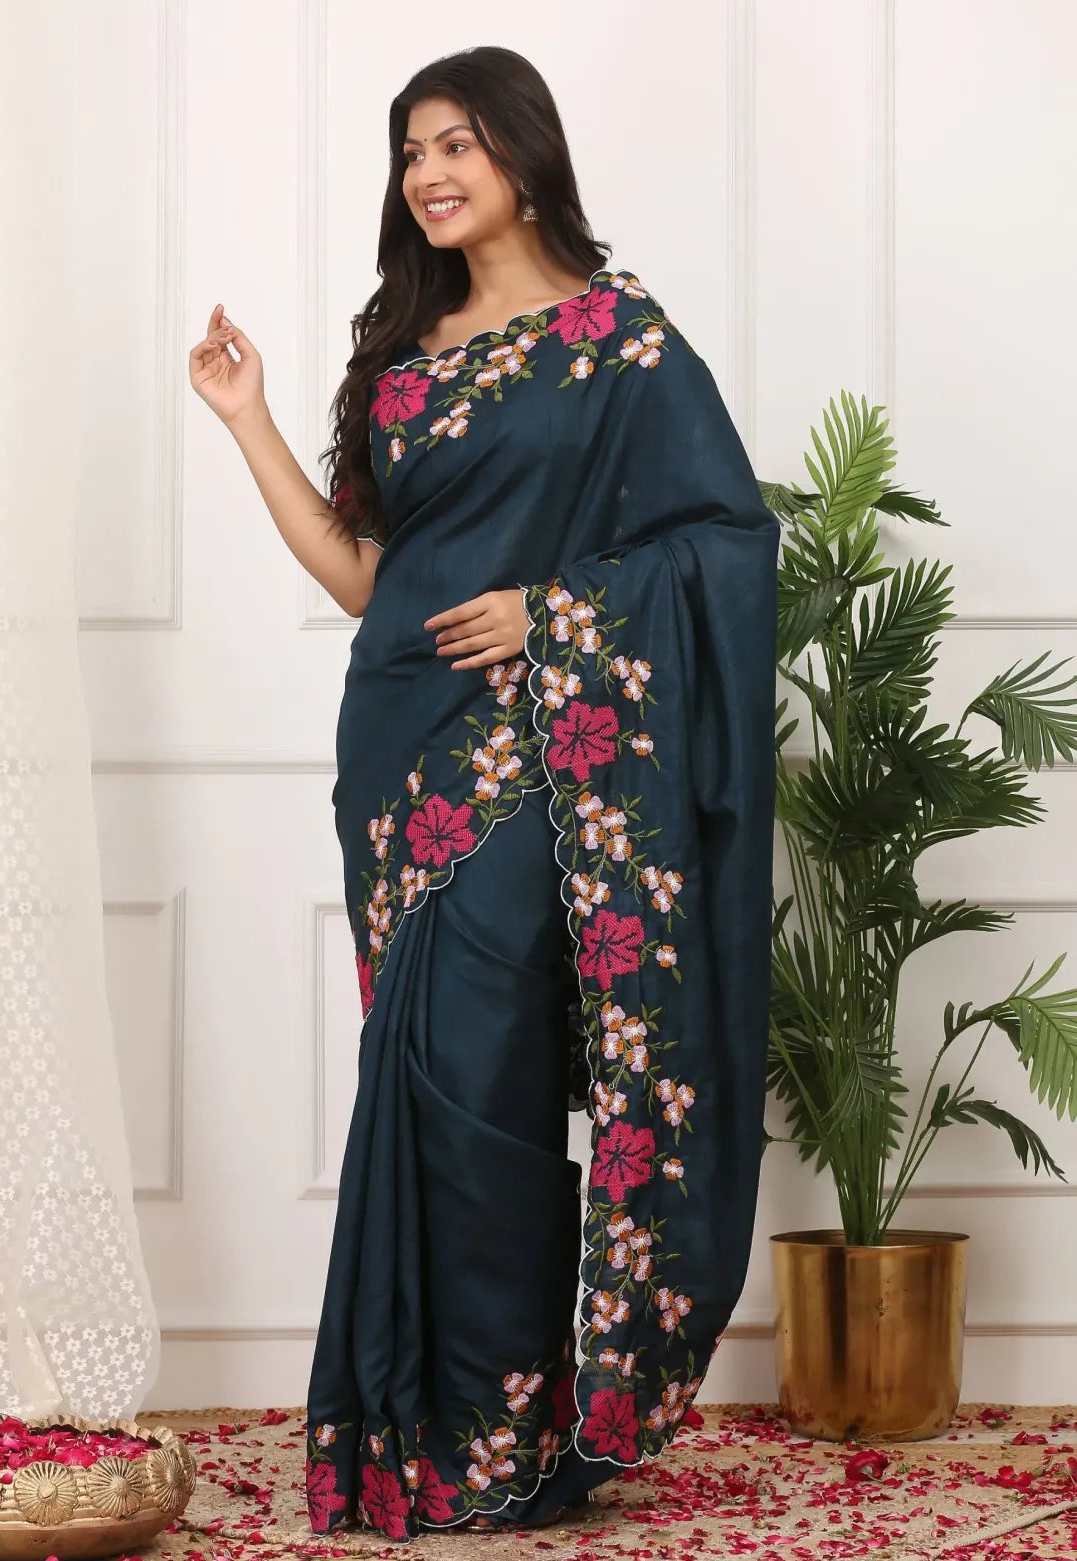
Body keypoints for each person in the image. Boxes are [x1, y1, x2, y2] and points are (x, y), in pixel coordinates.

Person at [188, 44, 780, 1546]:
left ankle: (507, 1426)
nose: (430, 174)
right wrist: (247, 418)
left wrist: (556, 614)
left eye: (456, 142)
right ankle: (427, 1425)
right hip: (396, 751)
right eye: (411, 152)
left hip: (539, 748)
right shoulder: (404, 357)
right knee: (426, 1071)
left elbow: (730, 544)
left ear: (524, 150)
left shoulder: (620, 342)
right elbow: (367, 578)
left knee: (482, 1062)